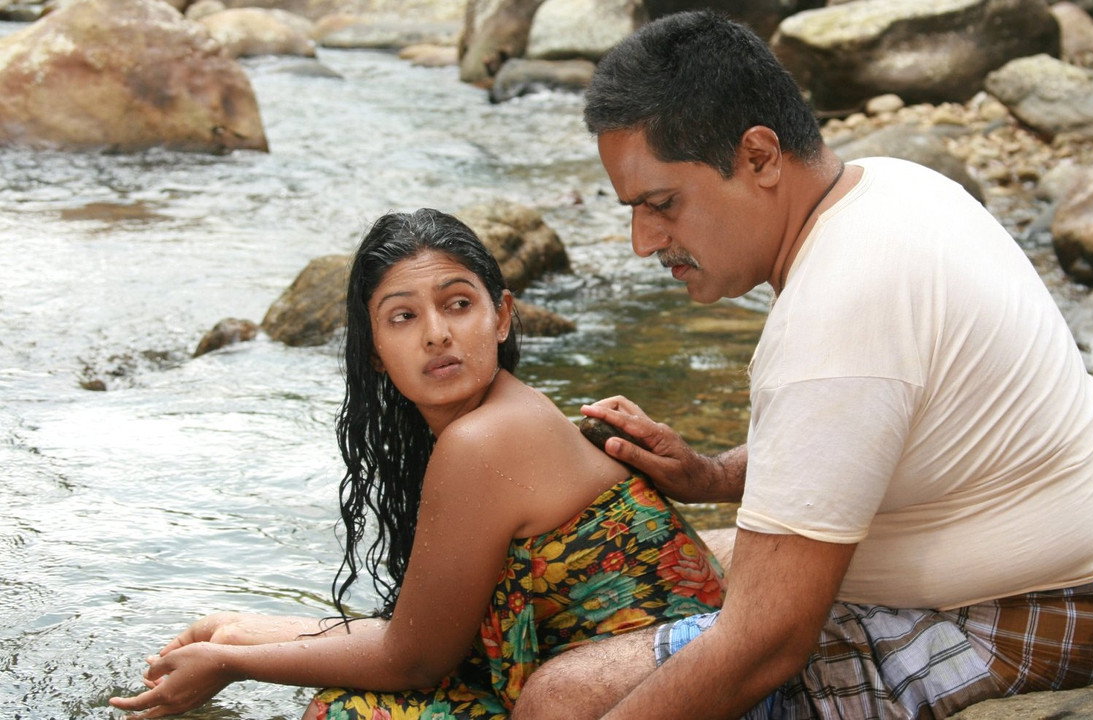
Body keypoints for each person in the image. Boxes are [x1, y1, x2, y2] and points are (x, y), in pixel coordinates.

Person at [509, 11, 1093, 720]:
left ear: (760, 156)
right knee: (636, 574)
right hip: (1078, 583)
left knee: (562, 697)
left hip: (1020, 625)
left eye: (661, 204)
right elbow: (871, 432)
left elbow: (766, 646)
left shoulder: (837, 307)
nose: (642, 241)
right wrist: (713, 477)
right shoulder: (888, 185)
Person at [108, 208, 725, 720]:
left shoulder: (486, 439)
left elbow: (414, 661)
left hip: (682, 689)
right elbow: (424, 637)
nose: (436, 334)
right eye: (403, 316)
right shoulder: (497, 419)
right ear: (375, 350)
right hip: (627, 676)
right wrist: (235, 630)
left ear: (501, 316)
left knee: (350, 713)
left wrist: (232, 663)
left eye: (457, 304)